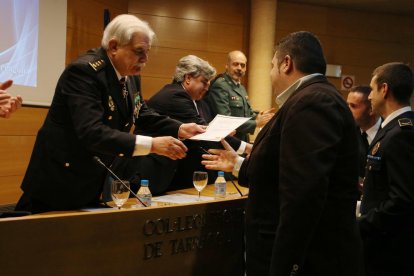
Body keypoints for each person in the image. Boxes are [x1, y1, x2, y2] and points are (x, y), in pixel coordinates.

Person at [202, 31, 363, 275]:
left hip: (303, 259)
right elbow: (283, 167)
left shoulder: (312, 101)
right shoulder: (308, 98)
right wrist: (240, 165)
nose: (270, 73)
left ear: (286, 63)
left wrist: (287, 264)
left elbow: (303, 192)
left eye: (272, 66)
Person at [14, 14, 204, 213]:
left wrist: (180, 128)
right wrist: (152, 145)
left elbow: (140, 113)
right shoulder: (84, 73)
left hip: (91, 182)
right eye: (139, 52)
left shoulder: (130, 75)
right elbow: (92, 132)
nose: (145, 60)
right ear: (114, 47)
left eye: (147, 53)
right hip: (57, 184)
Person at [135, 55, 249, 192]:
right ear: (188, 78)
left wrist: (219, 131)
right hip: (149, 174)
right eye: (204, 82)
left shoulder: (200, 102)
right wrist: (247, 148)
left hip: (180, 176)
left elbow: (207, 129)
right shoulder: (175, 95)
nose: (207, 87)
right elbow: (205, 133)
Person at [359, 62, 414, 276]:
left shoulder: (402, 133)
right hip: (382, 242)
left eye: (372, 90)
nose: (369, 97)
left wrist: (361, 224)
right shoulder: (392, 129)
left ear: (384, 89)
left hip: (390, 250)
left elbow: (402, 199)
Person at [206, 50, 274, 142]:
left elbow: (246, 113)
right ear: (227, 66)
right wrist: (256, 123)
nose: (239, 68)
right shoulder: (221, 85)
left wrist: (259, 116)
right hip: (227, 141)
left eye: (243, 65)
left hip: (242, 139)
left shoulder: (240, 87)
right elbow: (225, 120)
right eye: (235, 64)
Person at [346, 85, 381, 180]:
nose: (347, 110)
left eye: (353, 106)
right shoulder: (348, 131)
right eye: (347, 105)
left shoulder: (388, 132)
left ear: (371, 109)